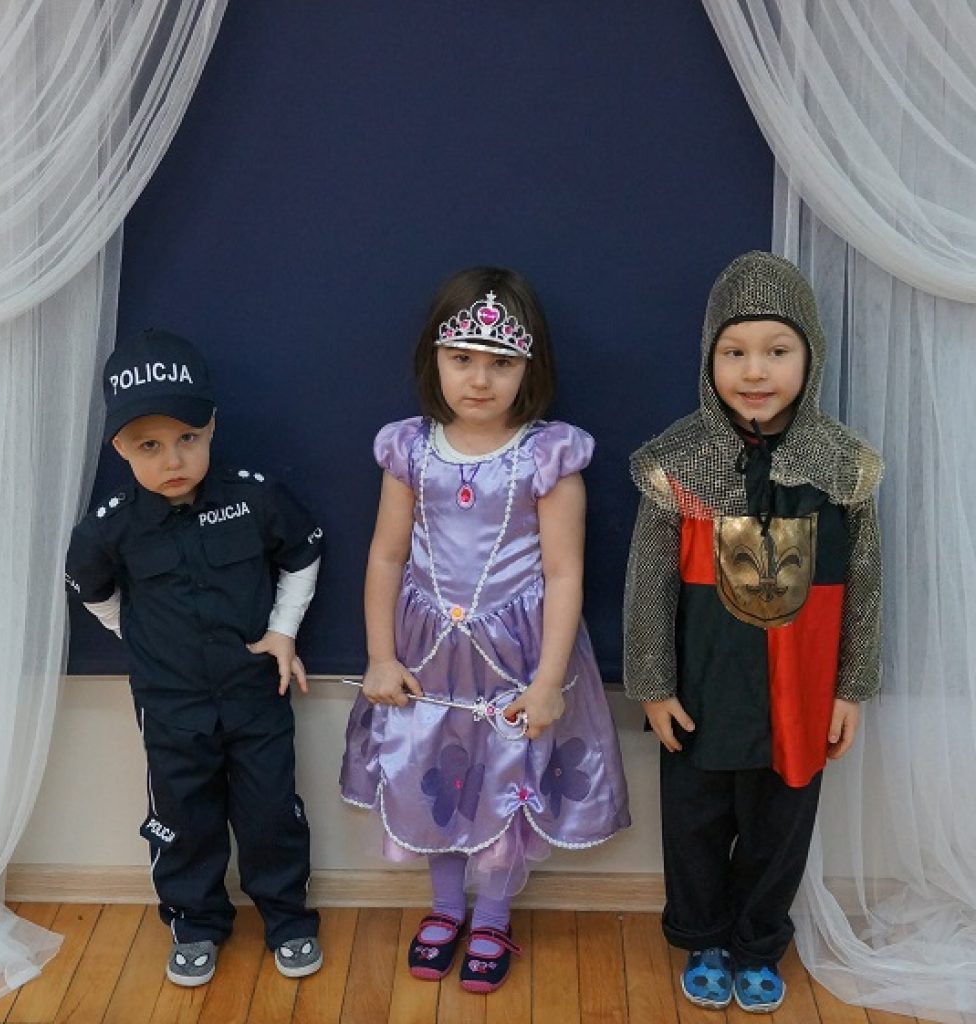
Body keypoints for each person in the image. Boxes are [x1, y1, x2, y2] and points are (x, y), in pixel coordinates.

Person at [340, 267, 630, 993]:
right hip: (426, 651)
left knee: (506, 774)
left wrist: (549, 681)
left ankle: (493, 914)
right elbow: (385, 555)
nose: (479, 379)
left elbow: (564, 573)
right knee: (433, 770)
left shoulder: (548, 457)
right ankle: (446, 907)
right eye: (462, 358)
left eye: (501, 362)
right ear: (433, 358)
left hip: (519, 655)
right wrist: (379, 656)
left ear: (530, 368)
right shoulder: (409, 450)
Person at [624, 251, 883, 1013]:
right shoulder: (677, 464)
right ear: (710, 360)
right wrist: (653, 685)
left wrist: (851, 687)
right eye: (734, 352)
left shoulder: (843, 467)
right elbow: (649, 583)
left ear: (810, 357)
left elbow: (865, 585)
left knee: (781, 824)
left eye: (777, 350)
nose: (755, 371)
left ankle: (758, 941)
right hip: (704, 685)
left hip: (801, 691)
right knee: (696, 820)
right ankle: (704, 936)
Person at [65, 329, 325, 987]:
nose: (173, 459)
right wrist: (140, 639)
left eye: (187, 437)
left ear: (211, 426)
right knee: (182, 819)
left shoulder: (254, 496)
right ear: (119, 448)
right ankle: (195, 923)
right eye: (148, 445)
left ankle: (288, 919)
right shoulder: (110, 525)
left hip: (255, 694)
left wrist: (284, 631)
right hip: (171, 707)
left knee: (271, 813)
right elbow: (90, 589)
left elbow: (302, 551)